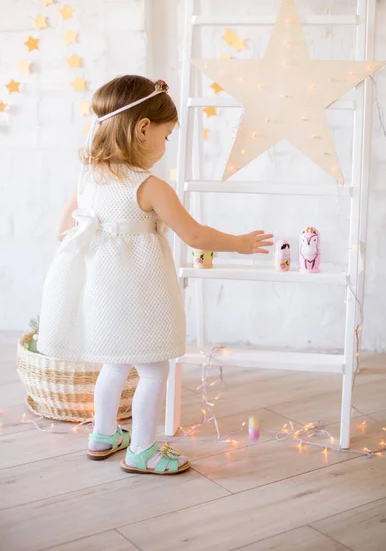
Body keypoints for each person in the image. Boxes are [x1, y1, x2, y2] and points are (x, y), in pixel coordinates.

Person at [37, 75, 274, 475]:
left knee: (113, 364)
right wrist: (241, 242)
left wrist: (106, 237)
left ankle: (104, 434)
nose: (165, 148)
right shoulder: (149, 186)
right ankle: (142, 449)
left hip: (102, 292)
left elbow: (63, 231)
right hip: (140, 293)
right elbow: (196, 235)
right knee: (152, 368)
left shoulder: (89, 177)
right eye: (165, 137)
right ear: (143, 129)